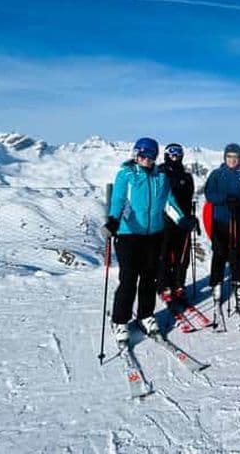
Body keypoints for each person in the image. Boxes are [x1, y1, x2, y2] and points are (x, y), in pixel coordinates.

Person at [102, 137, 198, 345]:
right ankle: (120, 320)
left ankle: (145, 315)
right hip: (129, 235)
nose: (147, 159)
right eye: (143, 155)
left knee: (149, 279)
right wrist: (113, 221)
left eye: (151, 156)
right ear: (136, 154)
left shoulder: (160, 177)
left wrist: (182, 219)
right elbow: (118, 201)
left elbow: (169, 202)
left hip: (154, 235)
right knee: (128, 280)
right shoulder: (126, 174)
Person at [204, 143, 240, 330]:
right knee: (218, 254)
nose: (232, 160)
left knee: (236, 255)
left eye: (236, 157)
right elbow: (209, 193)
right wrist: (224, 199)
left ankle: (239, 290)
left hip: (237, 221)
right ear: (225, 157)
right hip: (220, 221)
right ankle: (216, 288)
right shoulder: (217, 174)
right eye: (229, 157)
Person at [158, 143, 197, 305]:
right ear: (167, 155)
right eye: (172, 155)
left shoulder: (186, 176)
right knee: (165, 253)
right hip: (165, 219)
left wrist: (191, 217)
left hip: (184, 220)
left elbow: (189, 197)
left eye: (178, 155)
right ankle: (164, 285)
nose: (175, 158)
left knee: (182, 254)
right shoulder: (160, 172)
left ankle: (179, 285)